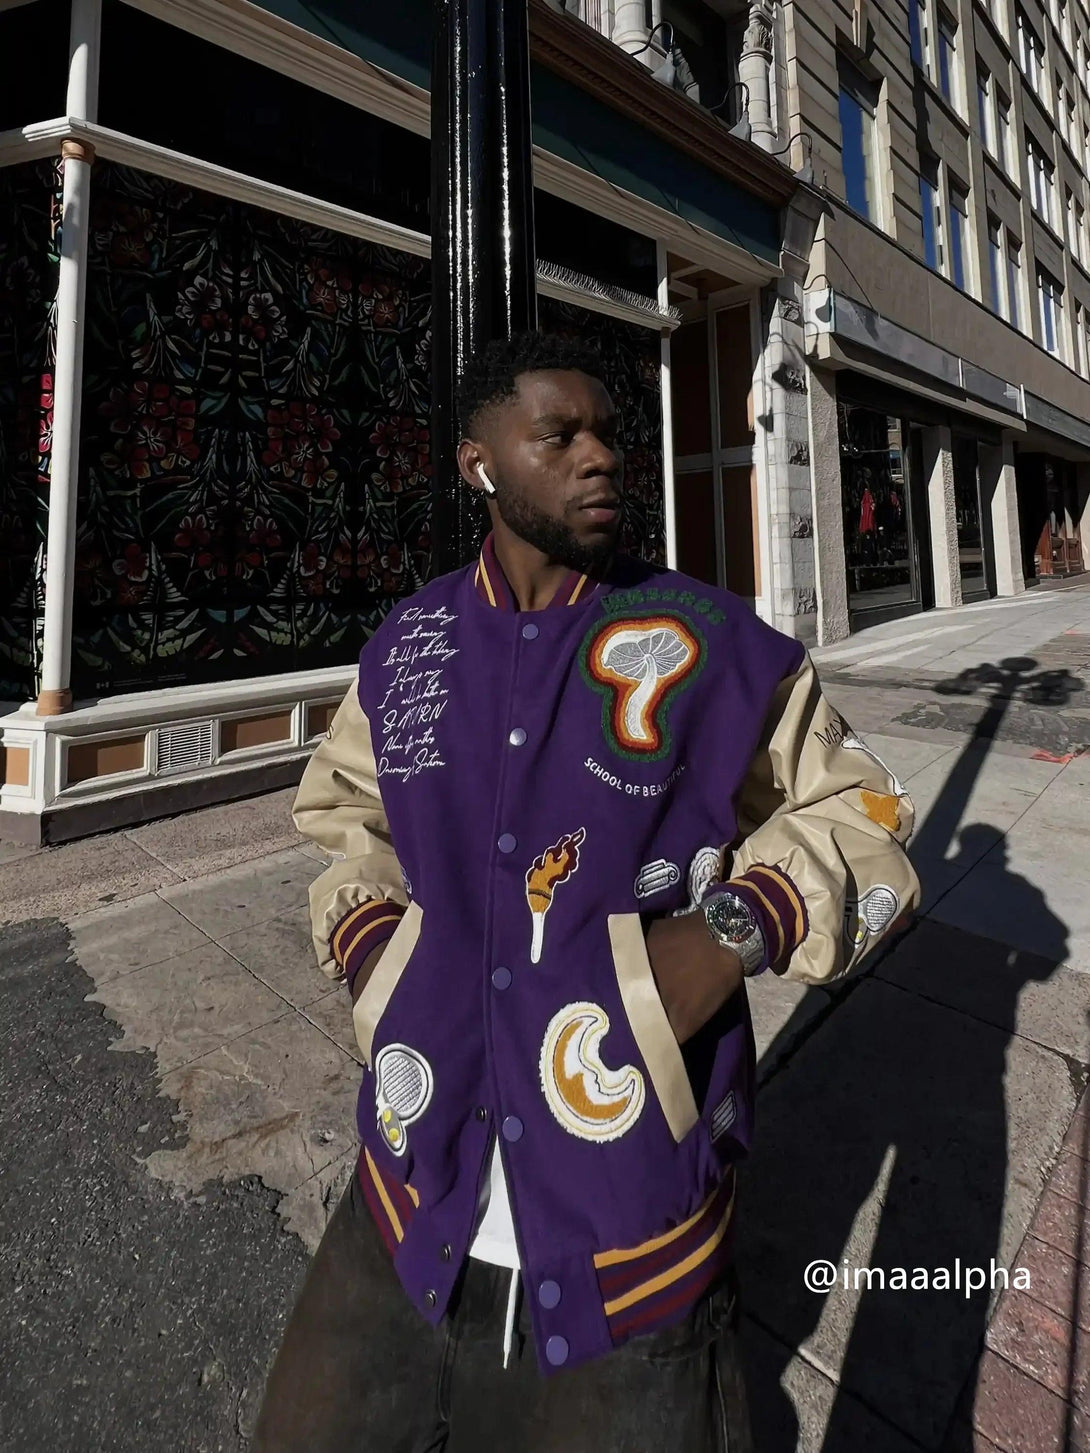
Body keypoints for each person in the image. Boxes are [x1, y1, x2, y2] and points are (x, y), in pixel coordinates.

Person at [253, 331, 920, 1452]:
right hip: (410, 1191)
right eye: (559, 434)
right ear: (480, 464)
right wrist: (376, 952)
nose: (601, 456)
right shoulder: (408, 645)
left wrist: (721, 938)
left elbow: (865, 815)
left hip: (629, 1235)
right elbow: (340, 813)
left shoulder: (716, 647)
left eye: (609, 432)